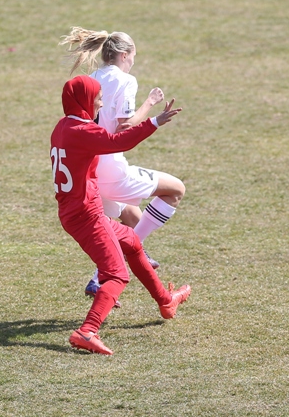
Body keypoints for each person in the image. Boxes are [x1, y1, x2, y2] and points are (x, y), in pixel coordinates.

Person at [51, 75, 192, 355]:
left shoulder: (63, 127)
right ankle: (87, 331)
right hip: (86, 215)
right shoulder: (83, 132)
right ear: (84, 102)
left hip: (75, 212)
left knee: (132, 242)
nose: (101, 104)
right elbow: (120, 142)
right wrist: (154, 121)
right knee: (117, 275)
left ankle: (166, 301)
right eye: (97, 99)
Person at [60, 27, 187, 296]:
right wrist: (150, 105)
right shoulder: (126, 81)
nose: (133, 63)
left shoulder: (93, 77)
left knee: (132, 215)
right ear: (125, 55)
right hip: (111, 167)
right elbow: (124, 126)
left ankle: (131, 260)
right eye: (134, 58)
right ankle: (101, 274)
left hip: (90, 170)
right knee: (175, 190)